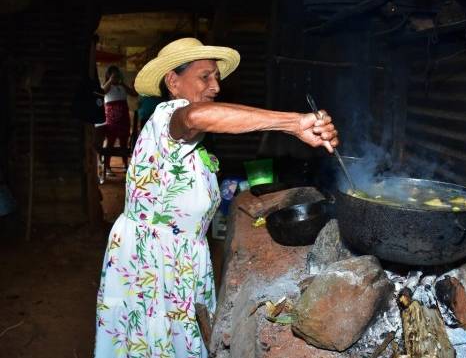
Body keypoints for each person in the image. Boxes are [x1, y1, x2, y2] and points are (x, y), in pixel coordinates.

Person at [94, 37, 339, 357]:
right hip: (154, 261)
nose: (215, 87)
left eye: (217, 78)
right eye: (205, 76)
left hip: (179, 258)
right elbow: (195, 117)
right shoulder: (170, 116)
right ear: (173, 81)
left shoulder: (190, 141)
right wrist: (293, 123)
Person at [101, 65, 138, 175]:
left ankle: (125, 166)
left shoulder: (122, 86)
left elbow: (134, 94)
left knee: (124, 142)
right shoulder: (106, 86)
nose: (115, 77)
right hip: (111, 119)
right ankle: (107, 167)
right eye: (113, 74)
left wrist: (122, 83)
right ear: (108, 75)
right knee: (110, 143)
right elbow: (102, 92)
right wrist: (110, 81)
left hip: (123, 118)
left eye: (117, 74)